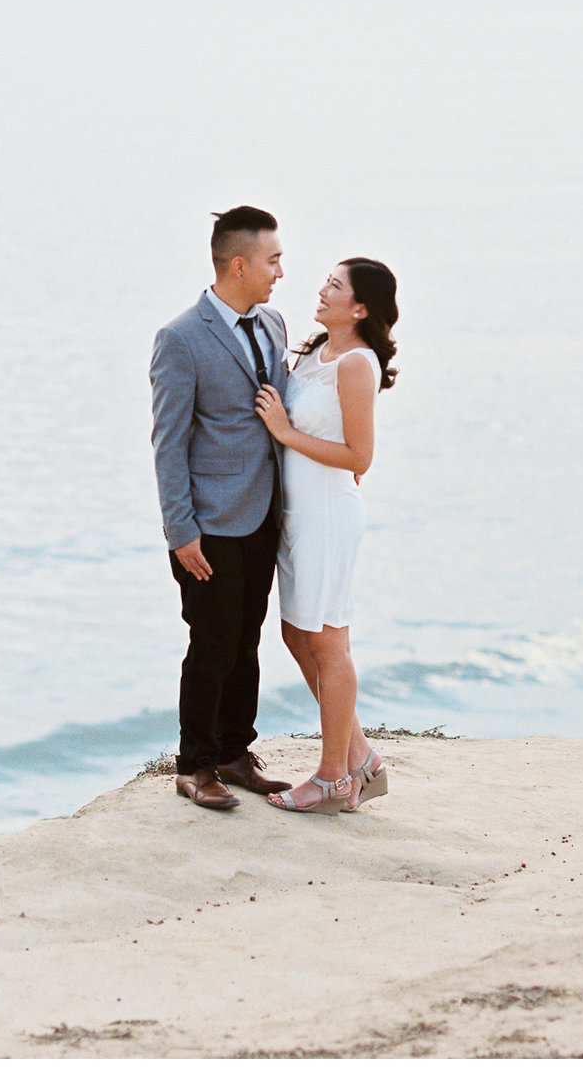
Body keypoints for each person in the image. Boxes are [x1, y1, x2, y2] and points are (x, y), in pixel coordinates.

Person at [149, 206, 293, 809]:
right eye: (273, 260)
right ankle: (194, 764)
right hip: (207, 525)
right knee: (211, 642)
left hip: (264, 513)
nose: (280, 272)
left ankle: (235, 751)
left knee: (248, 639)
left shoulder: (275, 323)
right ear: (239, 264)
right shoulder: (180, 338)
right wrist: (181, 532)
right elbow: (168, 441)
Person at [254, 257, 399, 815]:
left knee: (328, 642)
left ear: (359, 307)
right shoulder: (317, 351)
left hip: (329, 517)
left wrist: (286, 432)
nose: (321, 289)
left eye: (335, 286)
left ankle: (334, 778)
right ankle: (362, 758)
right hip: (298, 516)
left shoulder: (358, 364)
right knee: (297, 637)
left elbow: (359, 457)